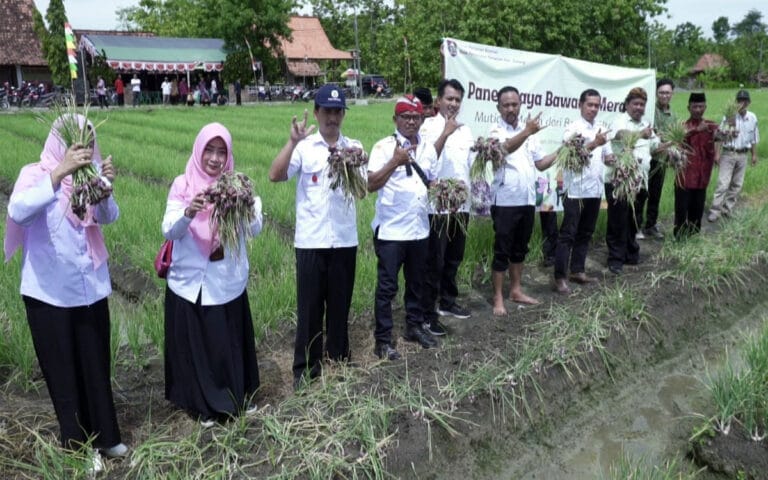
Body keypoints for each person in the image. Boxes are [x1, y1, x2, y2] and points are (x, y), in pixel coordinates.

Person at [4, 115, 126, 471]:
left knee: (95, 365)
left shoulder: (90, 179)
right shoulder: (35, 174)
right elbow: (18, 212)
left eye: (89, 140)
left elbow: (108, 217)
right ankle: (78, 449)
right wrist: (58, 174)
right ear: (59, 141)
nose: (83, 147)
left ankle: (107, 437)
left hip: (90, 289)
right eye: (75, 140)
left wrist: (105, 191)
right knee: (65, 374)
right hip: (49, 295)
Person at [162, 123, 262, 426]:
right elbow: (168, 230)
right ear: (198, 150)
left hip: (226, 280)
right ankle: (202, 408)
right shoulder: (182, 185)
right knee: (197, 348)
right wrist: (189, 212)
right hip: (190, 281)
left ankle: (236, 399)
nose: (215, 159)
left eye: (222, 152)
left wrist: (248, 206)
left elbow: (255, 229)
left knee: (227, 343)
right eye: (209, 150)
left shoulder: (236, 187)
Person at [269, 85, 362, 388]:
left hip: (344, 240)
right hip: (311, 241)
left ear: (343, 114)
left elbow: (362, 190)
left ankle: (338, 361)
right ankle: (306, 370)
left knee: (339, 306)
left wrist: (352, 166)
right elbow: (275, 175)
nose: (333, 117)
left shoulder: (354, 148)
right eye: (327, 111)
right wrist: (292, 141)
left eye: (338, 111)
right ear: (317, 112)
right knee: (309, 310)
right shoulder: (305, 147)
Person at [368, 95, 440, 360]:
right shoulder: (383, 147)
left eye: (416, 117)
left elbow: (432, 182)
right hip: (391, 231)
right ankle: (383, 340)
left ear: (422, 119)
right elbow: (370, 184)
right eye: (406, 117)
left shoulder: (428, 148)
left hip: (419, 229)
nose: (411, 121)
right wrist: (394, 162)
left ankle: (414, 326)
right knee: (387, 287)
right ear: (395, 119)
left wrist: (445, 193)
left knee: (416, 282)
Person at [489, 86, 558, 314]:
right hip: (505, 201)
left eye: (514, 104)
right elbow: (503, 149)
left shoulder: (528, 133)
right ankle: (498, 297)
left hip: (527, 200)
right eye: (506, 105)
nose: (511, 109)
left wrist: (562, 150)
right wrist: (527, 132)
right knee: (502, 250)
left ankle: (516, 290)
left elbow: (541, 164)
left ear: (520, 105)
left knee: (520, 249)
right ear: (498, 107)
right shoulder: (495, 130)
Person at [418, 79, 473, 336]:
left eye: (457, 100)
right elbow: (426, 162)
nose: (453, 103)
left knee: (454, 256)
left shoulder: (466, 130)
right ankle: (427, 313)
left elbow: (470, 163)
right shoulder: (427, 127)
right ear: (438, 101)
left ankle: (448, 302)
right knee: (434, 261)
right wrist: (445, 132)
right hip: (436, 206)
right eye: (449, 98)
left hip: (460, 204)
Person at [553, 89, 614, 294]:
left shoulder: (602, 129)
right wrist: (595, 143)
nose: (593, 109)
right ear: (580, 105)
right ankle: (560, 277)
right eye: (590, 105)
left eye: (597, 105)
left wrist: (618, 160)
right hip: (575, 191)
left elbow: (607, 158)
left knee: (585, 232)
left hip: (594, 190)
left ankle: (577, 270)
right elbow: (572, 155)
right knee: (568, 234)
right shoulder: (572, 129)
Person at [606, 87, 658, 275]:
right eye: (635, 104)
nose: (639, 107)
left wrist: (672, 147)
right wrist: (640, 134)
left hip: (640, 181)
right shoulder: (619, 121)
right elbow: (620, 135)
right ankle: (615, 259)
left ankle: (630, 253)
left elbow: (655, 146)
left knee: (634, 219)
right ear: (627, 105)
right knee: (618, 221)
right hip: (620, 181)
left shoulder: (646, 124)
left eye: (642, 104)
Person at [707, 89, 760, 222]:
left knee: (737, 185)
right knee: (723, 184)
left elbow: (754, 137)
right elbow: (719, 137)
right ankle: (715, 211)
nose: (742, 103)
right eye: (739, 100)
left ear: (749, 102)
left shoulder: (752, 118)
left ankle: (727, 209)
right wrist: (717, 154)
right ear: (736, 102)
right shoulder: (729, 116)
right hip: (728, 154)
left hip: (743, 155)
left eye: (745, 101)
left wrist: (754, 155)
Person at [674, 92, 719, 238]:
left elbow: (721, 136)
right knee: (681, 212)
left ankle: (693, 240)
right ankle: (679, 240)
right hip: (684, 179)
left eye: (701, 106)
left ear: (705, 107)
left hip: (702, 178)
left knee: (697, 212)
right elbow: (676, 140)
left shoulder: (711, 126)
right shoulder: (682, 126)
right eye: (695, 106)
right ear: (689, 108)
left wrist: (727, 133)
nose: (698, 110)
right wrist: (696, 130)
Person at [637, 78, 676, 239]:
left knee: (655, 194)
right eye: (661, 92)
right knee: (641, 193)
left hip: (662, 160)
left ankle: (650, 225)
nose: (665, 95)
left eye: (667, 93)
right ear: (656, 93)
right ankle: (636, 227)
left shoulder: (672, 115)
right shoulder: (649, 111)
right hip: (646, 158)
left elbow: (674, 136)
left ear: (672, 94)